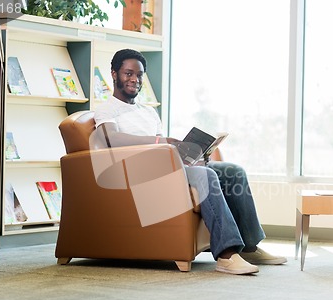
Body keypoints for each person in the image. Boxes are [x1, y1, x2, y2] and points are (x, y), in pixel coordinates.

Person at [94, 48, 287, 275]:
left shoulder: (148, 112)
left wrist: (192, 156)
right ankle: (226, 256)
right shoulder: (106, 109)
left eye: (139, 75)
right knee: (206, 175)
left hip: (169, 166)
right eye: (128, 74)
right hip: (143, 174)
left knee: (233, 171)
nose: (135, 79)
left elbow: (164, 149)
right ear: (114, 74)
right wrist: (161, 140)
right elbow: (111, 138)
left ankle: (250, 247)